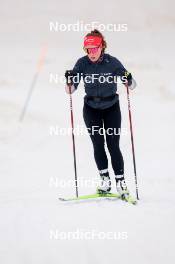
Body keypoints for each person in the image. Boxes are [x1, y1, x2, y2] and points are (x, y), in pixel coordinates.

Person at [65, 29, 136, 199]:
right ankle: (105, 180)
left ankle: (121, 183)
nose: (91, 53)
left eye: (94, 49)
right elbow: (71, 90)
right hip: (91, 109)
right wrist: (68, 81)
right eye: (88, 50)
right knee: (98, 144)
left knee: (113, 145)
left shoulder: (112, 63)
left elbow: (132, 85)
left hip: (111, 107)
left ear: (102, 46)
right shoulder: (82, 64)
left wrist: (128, 78)